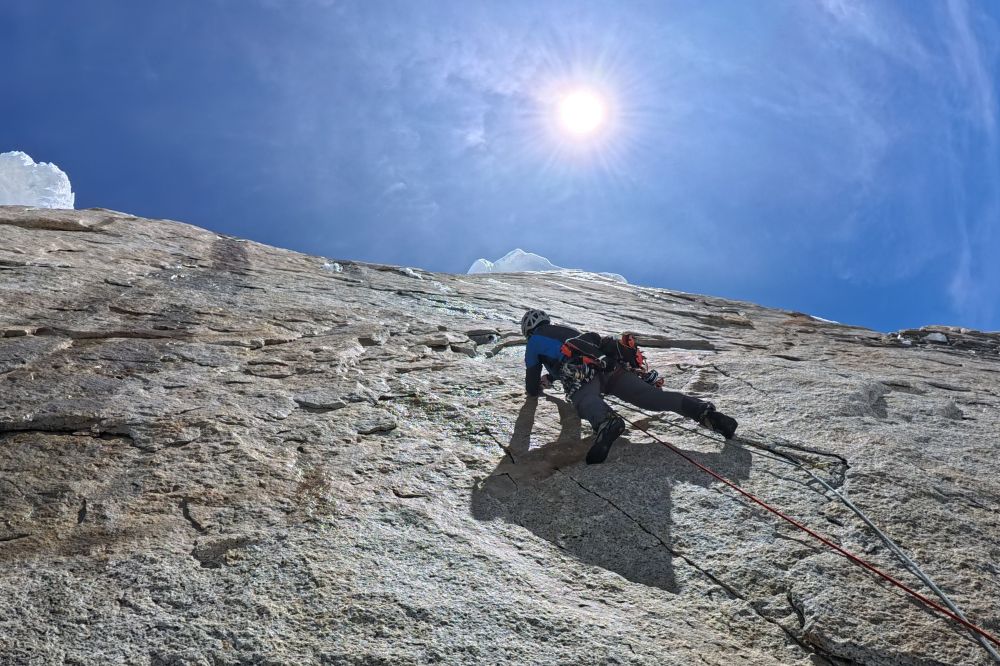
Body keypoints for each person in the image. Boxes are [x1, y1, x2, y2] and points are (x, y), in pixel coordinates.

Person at [521, 308, 738, 464]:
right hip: (609, 367)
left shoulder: (533, 342)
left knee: (585, 400)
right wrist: (551, 379)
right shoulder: (566, 330)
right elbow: (579, 353)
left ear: (528, 331)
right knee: (651, 398)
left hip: (581, 376)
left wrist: (535, 389)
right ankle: (706, 413)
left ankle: (607, 422)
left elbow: (533, 380)